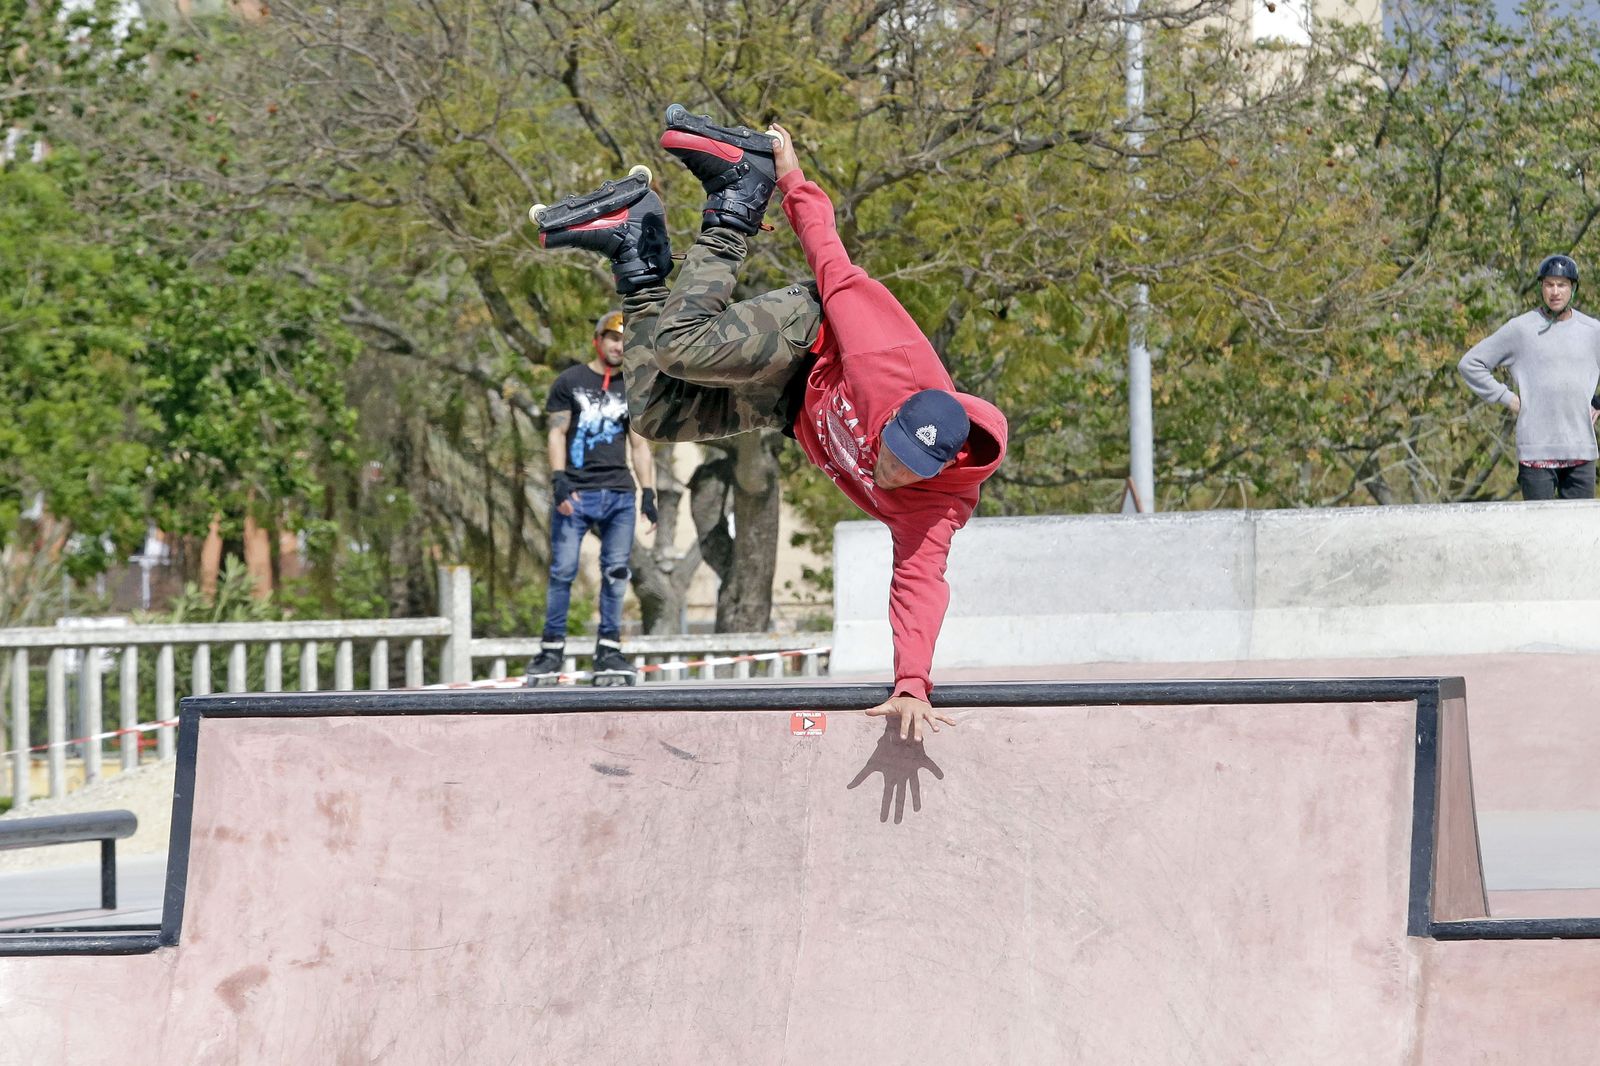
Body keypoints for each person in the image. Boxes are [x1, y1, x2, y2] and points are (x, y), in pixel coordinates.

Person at [531, 106, 1008, 738]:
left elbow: (920, 586)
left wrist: (911, 682)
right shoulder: (882, 359)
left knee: (652, 412)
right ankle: (737, 192)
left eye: (904, 470)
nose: (885, 472)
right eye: (887, 450)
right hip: (812, 334)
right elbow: (833, 264)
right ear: (891, 416)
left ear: (942, 468)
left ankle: (636, 244)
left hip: (791, 404)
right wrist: (789, 179)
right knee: (680, 345)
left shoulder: (936, 511)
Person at [524, 309, 659, 686]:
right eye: (613, 338)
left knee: (616, 572)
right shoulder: (570, 380)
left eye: (624, 339)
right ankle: (551, 650)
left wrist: (648, 492)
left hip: (618, 493)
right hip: (577, 493)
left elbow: (640, 444)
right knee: (562, 571)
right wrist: (558, 479)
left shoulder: (632, 386)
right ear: (598, 340)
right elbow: (556, 432)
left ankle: (609, 648)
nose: (619, 346)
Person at [1458, 253, 1600, 500]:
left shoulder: (1592, 331)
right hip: (1536, 452)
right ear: (1541, 287)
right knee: (1539, 535)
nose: (1555, 291)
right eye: (1549, 284)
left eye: (1562, 285)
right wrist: (1507, 398)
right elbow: (1470, 363)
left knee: (1579, 536)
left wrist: (1598, 402)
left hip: (1580, 450)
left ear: (1573, 288)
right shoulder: (1521, 328)